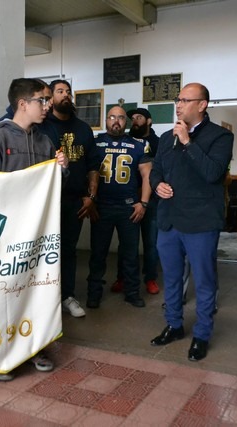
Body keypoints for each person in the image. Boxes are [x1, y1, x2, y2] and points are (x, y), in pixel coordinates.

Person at [0, 77, 68, 382]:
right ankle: (5, 354)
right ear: (23, 104)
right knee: (6, 295)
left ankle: (36, 347)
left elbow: (54, 188)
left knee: (37, 291)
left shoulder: (45, 141)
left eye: (47, 101)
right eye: (41, 101)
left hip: (38, 236)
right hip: (7, 237)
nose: (47, 107)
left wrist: (62, 169)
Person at [149, 83, 233, 362]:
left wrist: (188, 142)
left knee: (205, 281)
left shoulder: (220, 137)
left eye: (186, 100)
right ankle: (174, 325)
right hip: (169, 220)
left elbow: (212, 173)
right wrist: (157, 184)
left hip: (201, 223)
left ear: (202, 104)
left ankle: (202, 335)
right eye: (178, 99)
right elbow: (156, 171)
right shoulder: (165, 137)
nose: (179, 104)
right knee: (171, 278)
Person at [38, 79, 97, 318]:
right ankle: (44, 298)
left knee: (69, 250)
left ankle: (67, 296)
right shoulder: (41, 126)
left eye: (68, 91)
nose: (66, 95)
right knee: (46, 250)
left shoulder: (83, 128)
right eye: (60, 91)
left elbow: (93, 166)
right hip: (47, 201)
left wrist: (91, 195)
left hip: (75, 200)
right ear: (50, 97)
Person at [86, 106, 152, 310]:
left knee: (130, 254)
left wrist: (143, 203)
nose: (116, 121)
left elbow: (147, 176)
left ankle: (132, 293)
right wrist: (91, 200)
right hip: (101, 207)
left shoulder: (139, 145)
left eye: (121, 118)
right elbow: (87, 173)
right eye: (112, 117)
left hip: (128, 208)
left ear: (127, 121)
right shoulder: (95, 143)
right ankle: (93, 293)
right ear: (106, 120)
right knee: (98, 254)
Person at [111, 107, 161, 296]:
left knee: (151, 242)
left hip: (152, 200)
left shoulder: (158, 143)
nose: (134, 121)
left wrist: (147, 197)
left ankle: (150, 278)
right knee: (126, 242)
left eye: (139, 118)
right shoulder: (126, 141)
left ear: (149, 121)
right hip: (129, 199)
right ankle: (122, 277)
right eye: (132, 118)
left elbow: (159, 170)